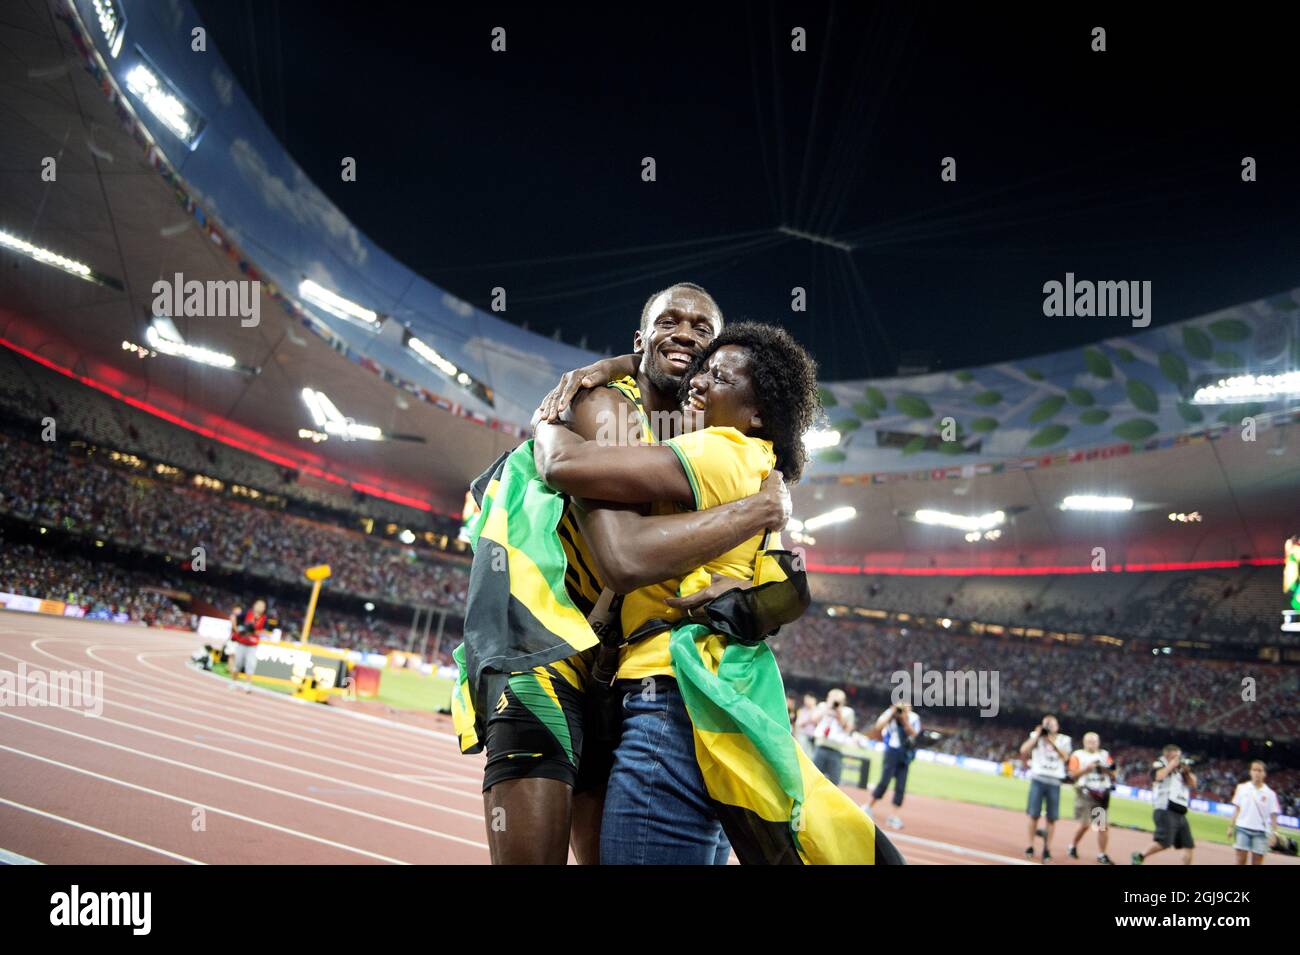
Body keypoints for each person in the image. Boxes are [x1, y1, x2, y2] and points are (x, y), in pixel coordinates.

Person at [534, 323, 903, 864]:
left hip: (667, 701)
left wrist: (547, 422)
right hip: (698, 705)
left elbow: (568, 467)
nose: (698, 382)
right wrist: (613, 367)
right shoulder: (755, 466)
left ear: (756, 413)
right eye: (702, 369)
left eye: (720, 376)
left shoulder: (722, 449)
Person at [457, 283, 789, 864]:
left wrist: (753, 583)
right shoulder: (605, 402)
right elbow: (624, 558)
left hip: (610, 670)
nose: (684, 333)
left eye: (701, 329)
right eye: (669, 321)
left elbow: (787, 579)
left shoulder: (693, 437)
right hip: (539, 644)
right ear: (641, 340)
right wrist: (758, 509)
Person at [1131, 743, 1197, 865]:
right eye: (1176, 756)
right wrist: (1172, 765)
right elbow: (1158, 776)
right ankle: (1140, 856)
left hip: (1181, 811)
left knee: (1188, 845)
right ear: (1167, 755)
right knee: (1164, 842)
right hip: (1166, 809)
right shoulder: (1160, 764)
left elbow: (1193, 784)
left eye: (1179, 756)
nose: (1179, 759)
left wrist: (1186, 772)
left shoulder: (1181, 770)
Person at [1019, 714, 1071, 862]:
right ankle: (1030, 845)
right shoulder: (1036, 736)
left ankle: (1047, 849)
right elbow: (1023, 750)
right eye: (1046, 724)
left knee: (1051, 818)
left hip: (1054, 781)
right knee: (1034, 815)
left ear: (1057, 726)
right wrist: (1037, 736)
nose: (1049, 727)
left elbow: (1066, 757)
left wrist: (1050, 741)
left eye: (1051, 724)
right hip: (1038, 778)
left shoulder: (1064, 739)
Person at [867, 701, 920, 830]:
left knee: (901, 784)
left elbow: (913, 733)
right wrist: (891, 714)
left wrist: (904, 719)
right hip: (891, 751)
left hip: (904, 754)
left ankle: (894, 815)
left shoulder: (913, 717)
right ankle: (869, 807)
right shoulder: (889, 713)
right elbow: (878, 727)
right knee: (884, 780)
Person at [1066, 731, 1115, 864]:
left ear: (1098, 742)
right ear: (1084, 742)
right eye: (1089, 741)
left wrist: (1104, 769)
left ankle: (1102, 854)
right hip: (1085, 792)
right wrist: (1087, 769)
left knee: (1102, 825)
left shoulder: (1104, 755)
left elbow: (1114, 773)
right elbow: (1072, 775)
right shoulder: (1078, 755)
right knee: (1085, 824)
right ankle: (1072, 846)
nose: (1092, 744)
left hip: (1101, 794)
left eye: (1094, 741)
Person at [1229, 760, 1280, 865]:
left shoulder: (1270, 794)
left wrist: (1274, 833)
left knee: (1257, 862)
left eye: (1260, 770)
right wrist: (1231, 826)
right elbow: (1237, 809)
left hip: (1261, 832)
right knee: (1240, 860)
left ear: (1264, 773)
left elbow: (1274, 815)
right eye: (1254, 770)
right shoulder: (1242, 788)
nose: (1257, 773)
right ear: (1250, 772)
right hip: (1242, 828)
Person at [811, 690, 853, 786]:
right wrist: (827, 708)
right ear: (828, 698)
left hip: (836, 749)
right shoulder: (822, 706)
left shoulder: (847, 711)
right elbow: (813, 719)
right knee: (813, 777)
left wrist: (838, 713)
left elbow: (847, 729)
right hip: (821, 746)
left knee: (834, 780)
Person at [227, 598, 267, 693]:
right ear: (254, 605)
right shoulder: (247, 614)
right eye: (259, 605)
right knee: (237, 664)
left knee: (250, 665)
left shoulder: (264, 618)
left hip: (253, 645)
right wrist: (238, 629)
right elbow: (235, 618)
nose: (260, 607)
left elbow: (265, 631)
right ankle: (233, 682)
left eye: (262, 606)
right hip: (242, 643)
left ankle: (247, 685)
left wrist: (254, 631)